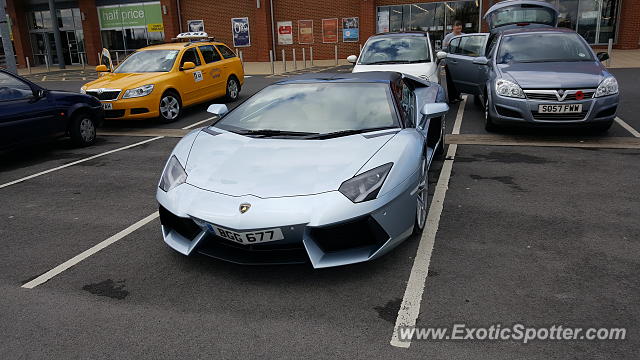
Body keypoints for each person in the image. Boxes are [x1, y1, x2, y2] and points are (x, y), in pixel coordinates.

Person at [443, 21, 464, 103]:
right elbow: (444, 47)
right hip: (451, 61)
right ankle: (451, 97)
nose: (459, 28)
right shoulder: (449, 36)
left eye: (460, 26)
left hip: (462, 60)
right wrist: (449, 44)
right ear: (453, 27)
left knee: (460, 78)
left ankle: (458, 95)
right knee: (451, 79)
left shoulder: (464, 36)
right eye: (457, 26)